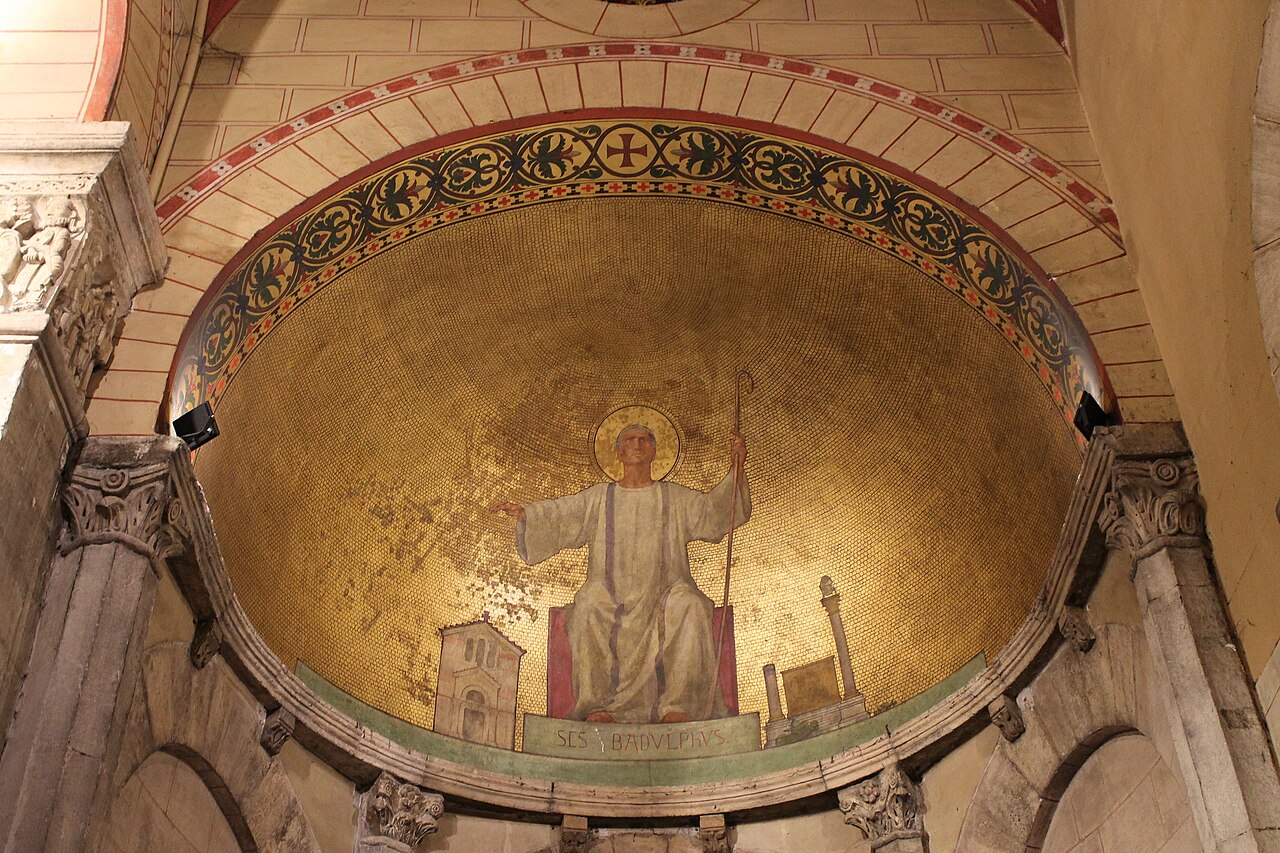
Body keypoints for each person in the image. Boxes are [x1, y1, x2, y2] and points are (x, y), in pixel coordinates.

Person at [491, 425, 749, 724]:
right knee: (589, 606)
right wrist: (528, 514)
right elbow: (563, 514)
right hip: (610, 596)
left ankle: (678, 706)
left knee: (689, 605)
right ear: (618, 453)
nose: (637, 444)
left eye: (644, 440)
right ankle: (597, 706)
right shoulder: (600, 498)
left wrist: (736, 469)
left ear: (654, 451)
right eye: (629, 439)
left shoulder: (675, 497)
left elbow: (714, 512)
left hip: (666, 594)